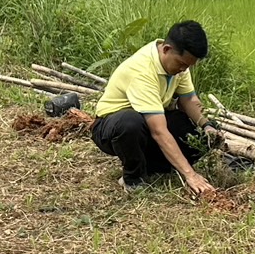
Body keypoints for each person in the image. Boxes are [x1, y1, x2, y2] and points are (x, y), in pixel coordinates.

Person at [92, 21, 222, 196]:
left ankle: (149, 166)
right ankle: (132, 177)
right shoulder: (143, 70)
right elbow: (159, 131)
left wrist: (207, 125)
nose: (184, 69)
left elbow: (189, 99)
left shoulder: (179, 66)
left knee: (195, 134)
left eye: (189, 66)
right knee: (131, 123)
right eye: (182, 63)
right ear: (166, 49)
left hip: (147, 122)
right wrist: (190, 175)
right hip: (112, 127)